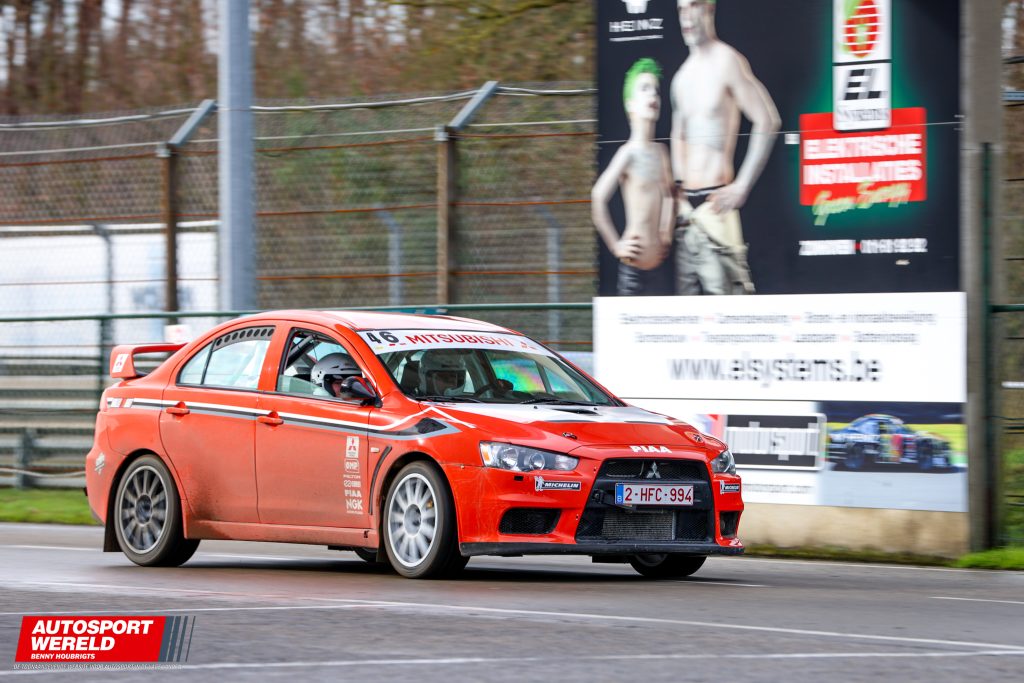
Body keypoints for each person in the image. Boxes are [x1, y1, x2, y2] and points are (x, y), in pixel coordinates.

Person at [671, 0, 780, 295]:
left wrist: (742, 185)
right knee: (687, 312)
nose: (687, 16)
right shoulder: (681, 77)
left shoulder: (727, 61)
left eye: (693, 6)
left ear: (709, 9)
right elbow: (678, 135)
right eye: (681, 9)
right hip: (687, 216)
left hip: (716, 205)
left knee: (729, 309)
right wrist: (678, 191)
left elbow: (767, 119)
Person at [592, 57, 675, 296]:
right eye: (644, 89)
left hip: (660, 268)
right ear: (631, 104)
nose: (653, 95)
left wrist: (666, 232)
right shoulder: (627, 154)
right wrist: (616, 245)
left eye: (656, 90)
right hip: (633, 273)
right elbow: (598, 196)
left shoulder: (661, 152)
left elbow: (669, 195)